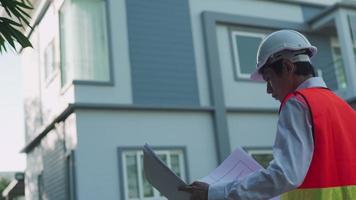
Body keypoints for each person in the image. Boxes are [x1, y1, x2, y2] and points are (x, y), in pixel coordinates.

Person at [179, 29, 356, 200]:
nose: (268, 90)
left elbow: (285, 175)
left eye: (269, 78)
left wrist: (215, 193)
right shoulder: (345, 108)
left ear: (287, 67)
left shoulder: (298, 103)